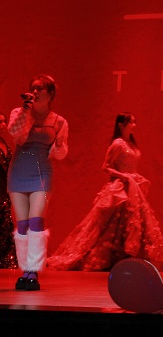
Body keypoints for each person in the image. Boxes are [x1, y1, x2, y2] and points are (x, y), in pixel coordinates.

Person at [47, 113, 163, 271]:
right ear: (121, 125)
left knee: (133, 220)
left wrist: (131, 177)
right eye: (131, 122)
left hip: (133, 186)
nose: (134, 125)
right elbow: (106, 166)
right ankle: (119, 255)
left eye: (134, 122)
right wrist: (123, 176)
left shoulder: (131, 143)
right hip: (121, 186)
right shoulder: (118, 144)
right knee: (113, 222)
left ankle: (130, 255)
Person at [7, 74, 68, 290]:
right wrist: (26, 110)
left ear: (50, 94)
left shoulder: (59, 121)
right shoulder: (19, 112)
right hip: (19, 171)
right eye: (32, 87)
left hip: (41, 173)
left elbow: (60, 154)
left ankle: (33, 270)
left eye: (40, 88)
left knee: (36, 221)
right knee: (22, 224)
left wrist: (59, 145)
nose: (35, 91)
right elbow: (16, 134)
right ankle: (24, 270)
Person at [0, 112, 17, 268]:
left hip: (5, 187)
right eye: (0, 122)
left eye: (4, 122)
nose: (3, 125)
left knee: (5, 220)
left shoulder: (4, 143)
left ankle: (5, 257)